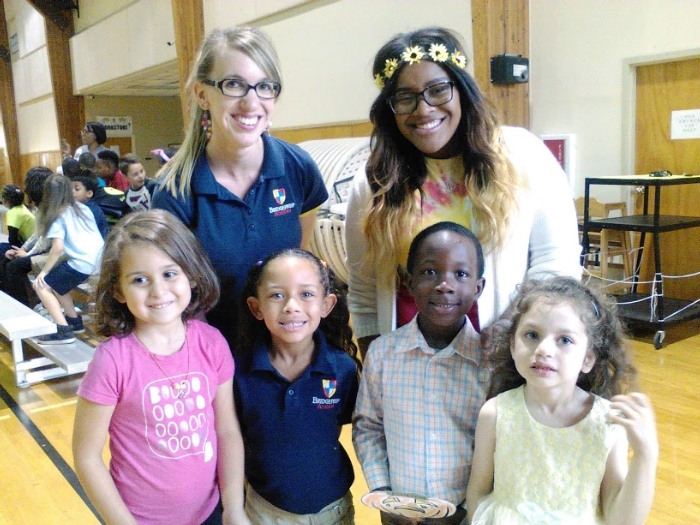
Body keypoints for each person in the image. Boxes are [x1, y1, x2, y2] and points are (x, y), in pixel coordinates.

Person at [345, 27, 581, 358]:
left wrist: (511, 328)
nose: (423, 109)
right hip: (408, 362)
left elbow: (556, 262)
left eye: (438, 90)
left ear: (462, 90)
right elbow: (364, 289)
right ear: (390, 108)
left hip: (501, 357)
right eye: (405, 97)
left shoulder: (523, 155)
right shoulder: (377, 180)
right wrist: (376, 364)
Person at [152, 27, 328, 346]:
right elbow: (176, 300)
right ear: (202, 94)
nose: (251, 102)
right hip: (215, 354)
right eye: (234, 84)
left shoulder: (298, 167)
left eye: (265, 86)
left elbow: (300, 261)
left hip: (289, 349)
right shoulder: (174, 191)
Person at [72, 210, 250, 525]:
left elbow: (226, 430)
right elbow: (87, 457)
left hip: (210, 512)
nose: (158, 291)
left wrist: (233, 507)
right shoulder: (112, 361)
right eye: (139, 280)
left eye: (170, 273)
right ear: (118, 290)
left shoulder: (212, 343)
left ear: (191, 275)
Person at [466, 276, 658, 524]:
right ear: (512, 345)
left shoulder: (608, 422)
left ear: (588, 359)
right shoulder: (495, 413)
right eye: (532, 334)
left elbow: (620, 519)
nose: (543, 349)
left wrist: (645, 454)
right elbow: (478, 494)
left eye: (565, 340)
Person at [353, 221, 488, 525]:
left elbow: (497, 447)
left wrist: (468, 508)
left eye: (461, 274)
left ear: (478, 288)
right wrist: (384, 494)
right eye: (429, 272)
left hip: (466, 517)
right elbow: (368, 427)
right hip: (398, 516)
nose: (444, 285)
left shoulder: (489, 365)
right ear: (409, 282)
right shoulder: (383, 354)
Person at [234, 248, 359, 524]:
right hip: (264, 512)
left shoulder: (342, 369)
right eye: (277, 295)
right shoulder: (238, 374)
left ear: (327, 305)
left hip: (333, 511)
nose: (291, 306)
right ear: (256, 308)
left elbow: (340, 426)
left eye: (306, 294)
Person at [31, 173, 105, 344]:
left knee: (41, 286)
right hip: (98, 260)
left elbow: (57, 248)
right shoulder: (82, 208)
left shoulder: (57, 215)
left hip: (82, 263)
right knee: (59, 285)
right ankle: (74, 321)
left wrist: (43, 272)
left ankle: (63, 331)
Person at [1, 167, 52, 306]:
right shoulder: (42, 206)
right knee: (8, 258)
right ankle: (19, 299)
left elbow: (47, 240)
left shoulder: (52, 207)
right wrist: (23, 249)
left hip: (57, 253)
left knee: (14, 267)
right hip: (46, 249)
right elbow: (38, 233)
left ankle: (24, 304)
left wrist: (27, 254)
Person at [70, 170, 110, 239]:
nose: (72, 192)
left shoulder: (91, 210)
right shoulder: (74, 207)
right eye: (70, 189)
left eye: (77, 189)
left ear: (89, 193)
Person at [1, 184, 34, 250]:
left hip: (29, 246)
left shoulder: (13, 213)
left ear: (5, 200)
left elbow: (12, 239)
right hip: (33, 242)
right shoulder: (22, 207)